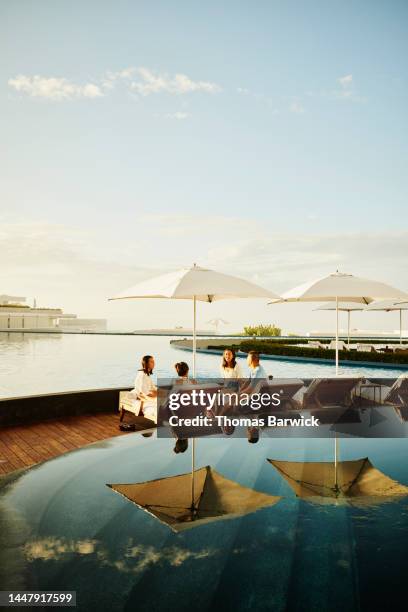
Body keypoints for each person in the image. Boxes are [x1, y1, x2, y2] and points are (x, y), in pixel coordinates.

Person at [132, 355, 157, 420]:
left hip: (148, 397)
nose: (154, 363)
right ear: (146, 363)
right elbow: (143, 394)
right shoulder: (142, 376)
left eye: (153, 361)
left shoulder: (146, 375)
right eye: (151, 362)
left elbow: (153, 388)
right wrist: (156, 396)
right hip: (144, 399)